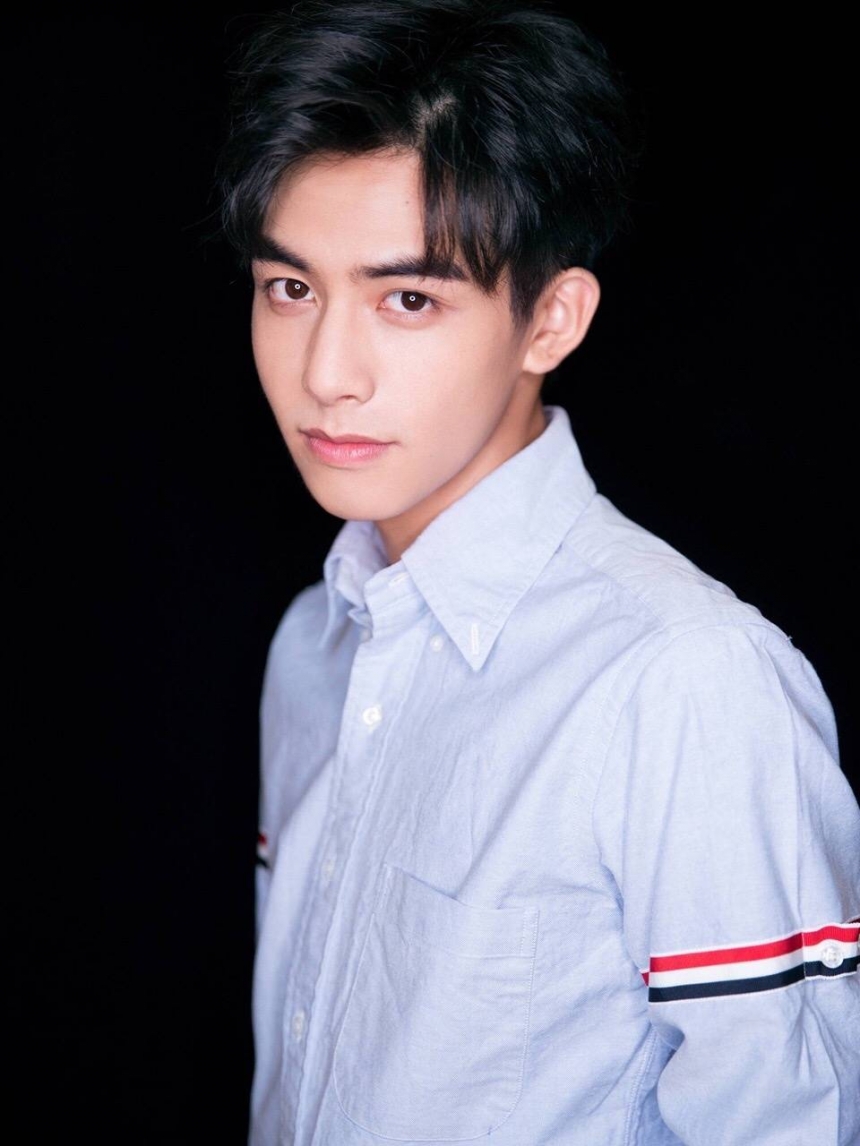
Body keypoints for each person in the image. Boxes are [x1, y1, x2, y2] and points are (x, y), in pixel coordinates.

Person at [215, 2, 860, 1142]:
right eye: (291, 289)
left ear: (551, 321)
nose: (327, 373)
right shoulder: (316, 639)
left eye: (408, 299)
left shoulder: (684, 681)